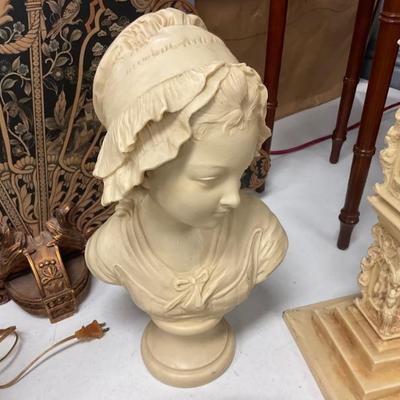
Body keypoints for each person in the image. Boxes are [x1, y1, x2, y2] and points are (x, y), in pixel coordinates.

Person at [84, 8, 288, 326]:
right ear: (145, 169)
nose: (233, 198)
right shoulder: (111, 249)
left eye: (239, 173)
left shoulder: (261, 233)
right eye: (210, 178)